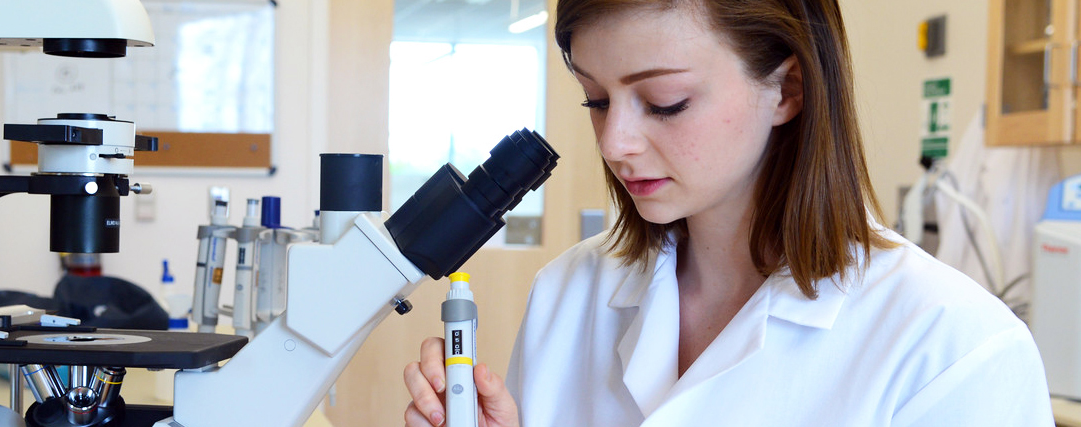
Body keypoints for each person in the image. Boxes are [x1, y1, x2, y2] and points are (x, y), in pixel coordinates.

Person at [402, 0, 1054, 426]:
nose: (614, 143)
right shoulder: (567, 294)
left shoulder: (954, 347)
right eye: (596, 100)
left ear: (788, 89)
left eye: (665, 101)